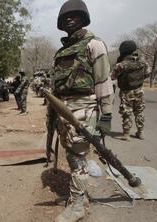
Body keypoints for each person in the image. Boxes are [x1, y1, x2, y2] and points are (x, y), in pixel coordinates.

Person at [49, 1, 114, 221]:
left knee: (78, 157)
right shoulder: (61, 52)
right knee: (71, 153)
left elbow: (104, 83)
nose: (69, 19)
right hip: (63, 109)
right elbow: (55, 87)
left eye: (75, 15)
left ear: (83, 18)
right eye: (66, 16)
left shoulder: (94, 44)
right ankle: (79, 196)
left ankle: (77, 206)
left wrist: (105, 119)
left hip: (84, 109)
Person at [111, 40, 150, 141]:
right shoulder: (143, 62)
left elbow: (113, 77)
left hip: (126, 92)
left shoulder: (121, 65)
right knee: (139, 111)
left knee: (126, 112)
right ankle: (140, 133)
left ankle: (126, 134)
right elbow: (147, 73)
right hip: (139, 90)